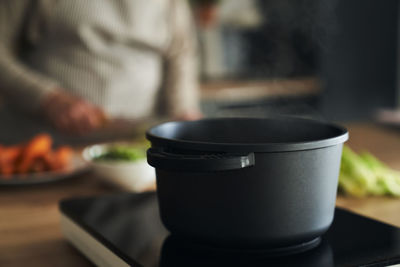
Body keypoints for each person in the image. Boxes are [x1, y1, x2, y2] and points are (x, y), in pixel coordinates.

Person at [0, 0, 201, 136]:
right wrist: (47, 97)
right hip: (48, 146)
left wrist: (183, 112)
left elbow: (180, 52)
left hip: (139, 148)